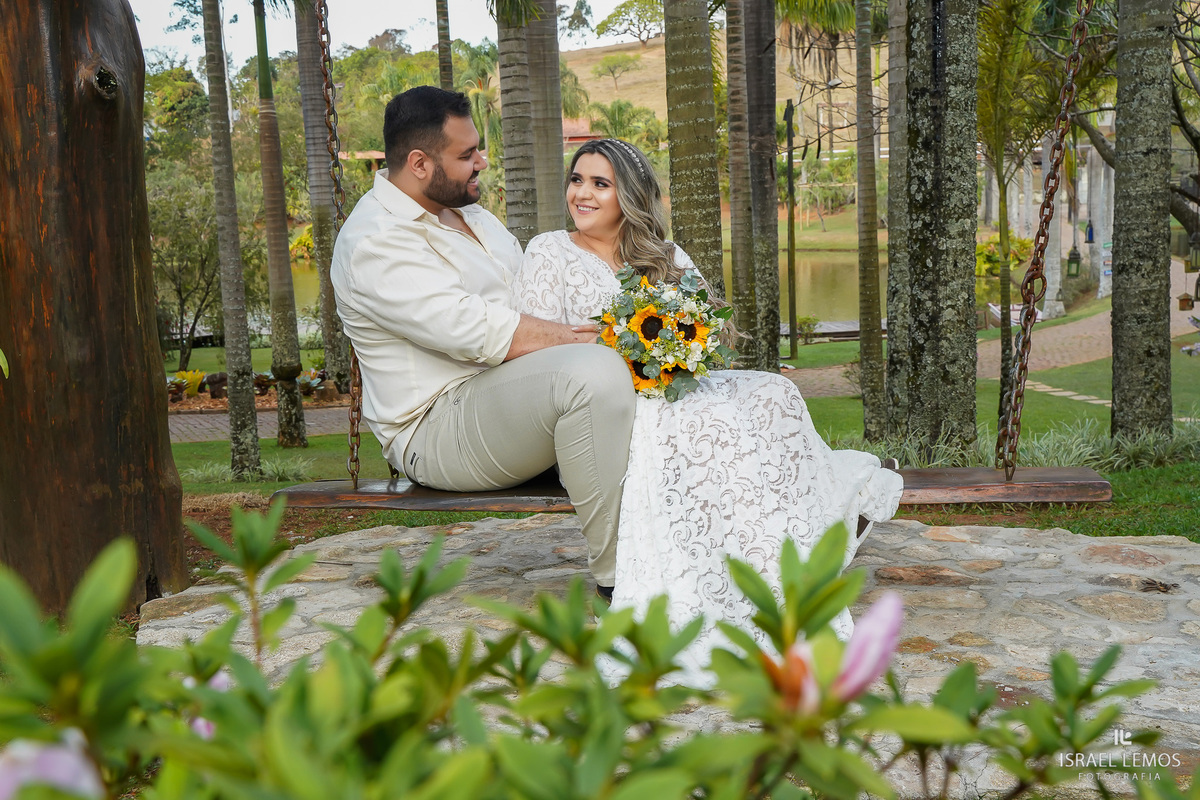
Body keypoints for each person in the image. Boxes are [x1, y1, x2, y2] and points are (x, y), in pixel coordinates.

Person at [515, 138, 905, 687]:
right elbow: (539, 345)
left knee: (774, 394)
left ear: (629, 194)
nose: (582, 193)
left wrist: (681, 347)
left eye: (599, 183)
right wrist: (619, 353)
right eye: (577, 180)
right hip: (605, 400)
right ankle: (736, 575)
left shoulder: (666, 255)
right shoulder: (550, 250)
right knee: (705, 423)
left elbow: (707, 323)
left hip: (673, 382)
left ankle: (795, 546)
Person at [330, 87, 636, 595]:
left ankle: (694, 544)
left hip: (506, 398)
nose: (482, 161)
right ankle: (620, 580)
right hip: (435, 427)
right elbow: (477, 329)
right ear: (420, 163)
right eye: (467, 154)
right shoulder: (375, 241)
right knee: (594, 374)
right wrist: (599, 341)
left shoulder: (471, 215)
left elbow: (531, 297)